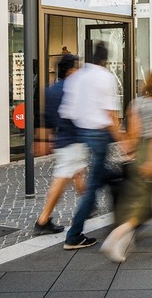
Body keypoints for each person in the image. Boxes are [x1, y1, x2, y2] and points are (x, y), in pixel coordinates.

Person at [101, 68, 152, 261]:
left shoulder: (136, 104)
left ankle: (116, 236)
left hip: (140, 154)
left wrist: (131, 154)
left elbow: (133, 134)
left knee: (140, 203)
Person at [60, 41, 123, 250]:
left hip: (80, 133)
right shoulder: (105, 77)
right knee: (97, 183)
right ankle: (73, 235)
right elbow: (110, 113)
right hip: (99, 135)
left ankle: (118, 218)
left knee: (106, 175)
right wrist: (121, 140)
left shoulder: (78, 77)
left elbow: (67, 111)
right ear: (105, 60)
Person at [34, 53, 86, 234]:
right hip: (72, 139)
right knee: (62, 177)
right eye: (77, 67)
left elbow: (46, 118)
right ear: (71, 69)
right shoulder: (73, 89)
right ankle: (43, 219)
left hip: (63, 140)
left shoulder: (51, 90)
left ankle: (88, 205)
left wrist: (43, 139)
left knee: (77, 172)